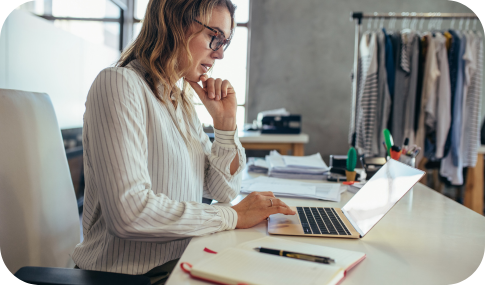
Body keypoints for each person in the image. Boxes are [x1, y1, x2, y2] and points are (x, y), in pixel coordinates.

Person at [71, 0, 295, 283]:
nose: (220, 54)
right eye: (215, 37)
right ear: (175, 24)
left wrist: (225, 127)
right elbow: (130, 213)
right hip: (129, 276)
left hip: (180, 264)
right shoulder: (119, 84)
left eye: (225, 42)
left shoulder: (180, 101)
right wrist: (233, 217)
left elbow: (222, 189)